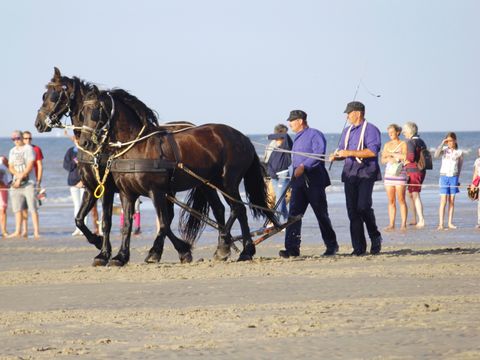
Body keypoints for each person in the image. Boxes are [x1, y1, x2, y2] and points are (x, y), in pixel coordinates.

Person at [279, 110, 338, 258]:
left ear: (300, 121)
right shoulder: (297, 137)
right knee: (294, 215)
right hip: (298, 182)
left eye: (292, 120)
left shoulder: (315, 134)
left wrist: (304, 166)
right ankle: (292, 248)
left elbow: (318, 154)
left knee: (321, 214)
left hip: (314, 181)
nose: (289, 123)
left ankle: (331, 246)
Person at [329, 101, 383, 256]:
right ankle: (358, 248)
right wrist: (337, 156)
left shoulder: (371, 130)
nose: (347, 116)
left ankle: (375, 235)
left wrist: (349, 153)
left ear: (358, 113)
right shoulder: (346, 131)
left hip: (366, 173)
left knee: (363, 207)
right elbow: (343, 152)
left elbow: (372, 151)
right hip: (349, 174)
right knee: (352, 212)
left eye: (349, 113)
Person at [7, 130, 40, 238]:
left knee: (32, 208)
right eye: (13, 139)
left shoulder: (28, 149)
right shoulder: (12, 151)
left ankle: (36, 232)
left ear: (22, 138)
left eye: (17, 138)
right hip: (16, 183)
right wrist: (17, 176)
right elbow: (10, 166)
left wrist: (21, 177)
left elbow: (30, 164)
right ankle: (18, 231)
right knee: (17, 209)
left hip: (28, 183)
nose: (16, 141)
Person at [380, 124, 407, 230]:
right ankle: (391, 224)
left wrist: (392, 155)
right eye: (389, 132)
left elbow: (404, 156)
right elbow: (382, 160)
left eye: (392, 132)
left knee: (401, 199)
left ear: (397, 132)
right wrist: (389, 158)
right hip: (389, 174)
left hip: (400, 173)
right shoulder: (387, 144)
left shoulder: (403, 143)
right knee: (391, 200)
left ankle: (403, 224)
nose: (390, 134)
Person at [434, 132, 463, 230]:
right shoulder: (444, 150)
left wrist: (458, 179)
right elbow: (436, 155)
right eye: (448, 141)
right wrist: (443, 143)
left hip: (453, 177)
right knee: (443, 201)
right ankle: (441, 224)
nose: (450, 143)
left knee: (451, 201)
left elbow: (459, 167)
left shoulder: (459, 152)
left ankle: (450, 222)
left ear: (455, 141)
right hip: (444, 177)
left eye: (451, 141)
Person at [402, 122, 427, 228]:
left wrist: (402, 159)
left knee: (415, 194)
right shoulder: (421, 141)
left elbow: (411, 158)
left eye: (404, 130)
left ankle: (421, 220)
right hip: (421, 170)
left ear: (409, 131)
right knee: (410, 194)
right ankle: (414, 219)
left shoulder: (410, 142)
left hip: (414, 171)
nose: (403, 132)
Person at [266, 124, 293, 220]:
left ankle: (281, 221)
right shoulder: (274, 148)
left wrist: (271, 136)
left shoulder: (286, 145)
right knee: (277, 200)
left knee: (279, 200)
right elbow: (269, 163)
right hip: (274, 177)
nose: (276, 140)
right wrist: (271, 172)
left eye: (278, 137)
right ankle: (283, 220)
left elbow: (284, 136)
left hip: (283, 175)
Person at [21, 131, 44, 236]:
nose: (28, 140)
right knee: (22, 207)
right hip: (20, 183)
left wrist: (39, 181)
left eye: (29, 138)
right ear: (22, 139)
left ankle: (36, 231)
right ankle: (24, 230)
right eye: (25, 138)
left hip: (32, 181)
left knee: (33, 207)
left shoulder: (36, 149)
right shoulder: (19, 150)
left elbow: (39, 166)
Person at [0, 156, 11, 237]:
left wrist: (12, 181)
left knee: (3, 209)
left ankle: (4, 231)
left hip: (3, 187)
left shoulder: (2, 159)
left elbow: (11, 169)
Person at [470, 147, 480, 229]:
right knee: (479, 203)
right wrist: (472, 185)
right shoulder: (477, 161)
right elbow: (476, 173)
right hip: (478, 183)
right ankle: (479, 222)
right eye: (479, 152)